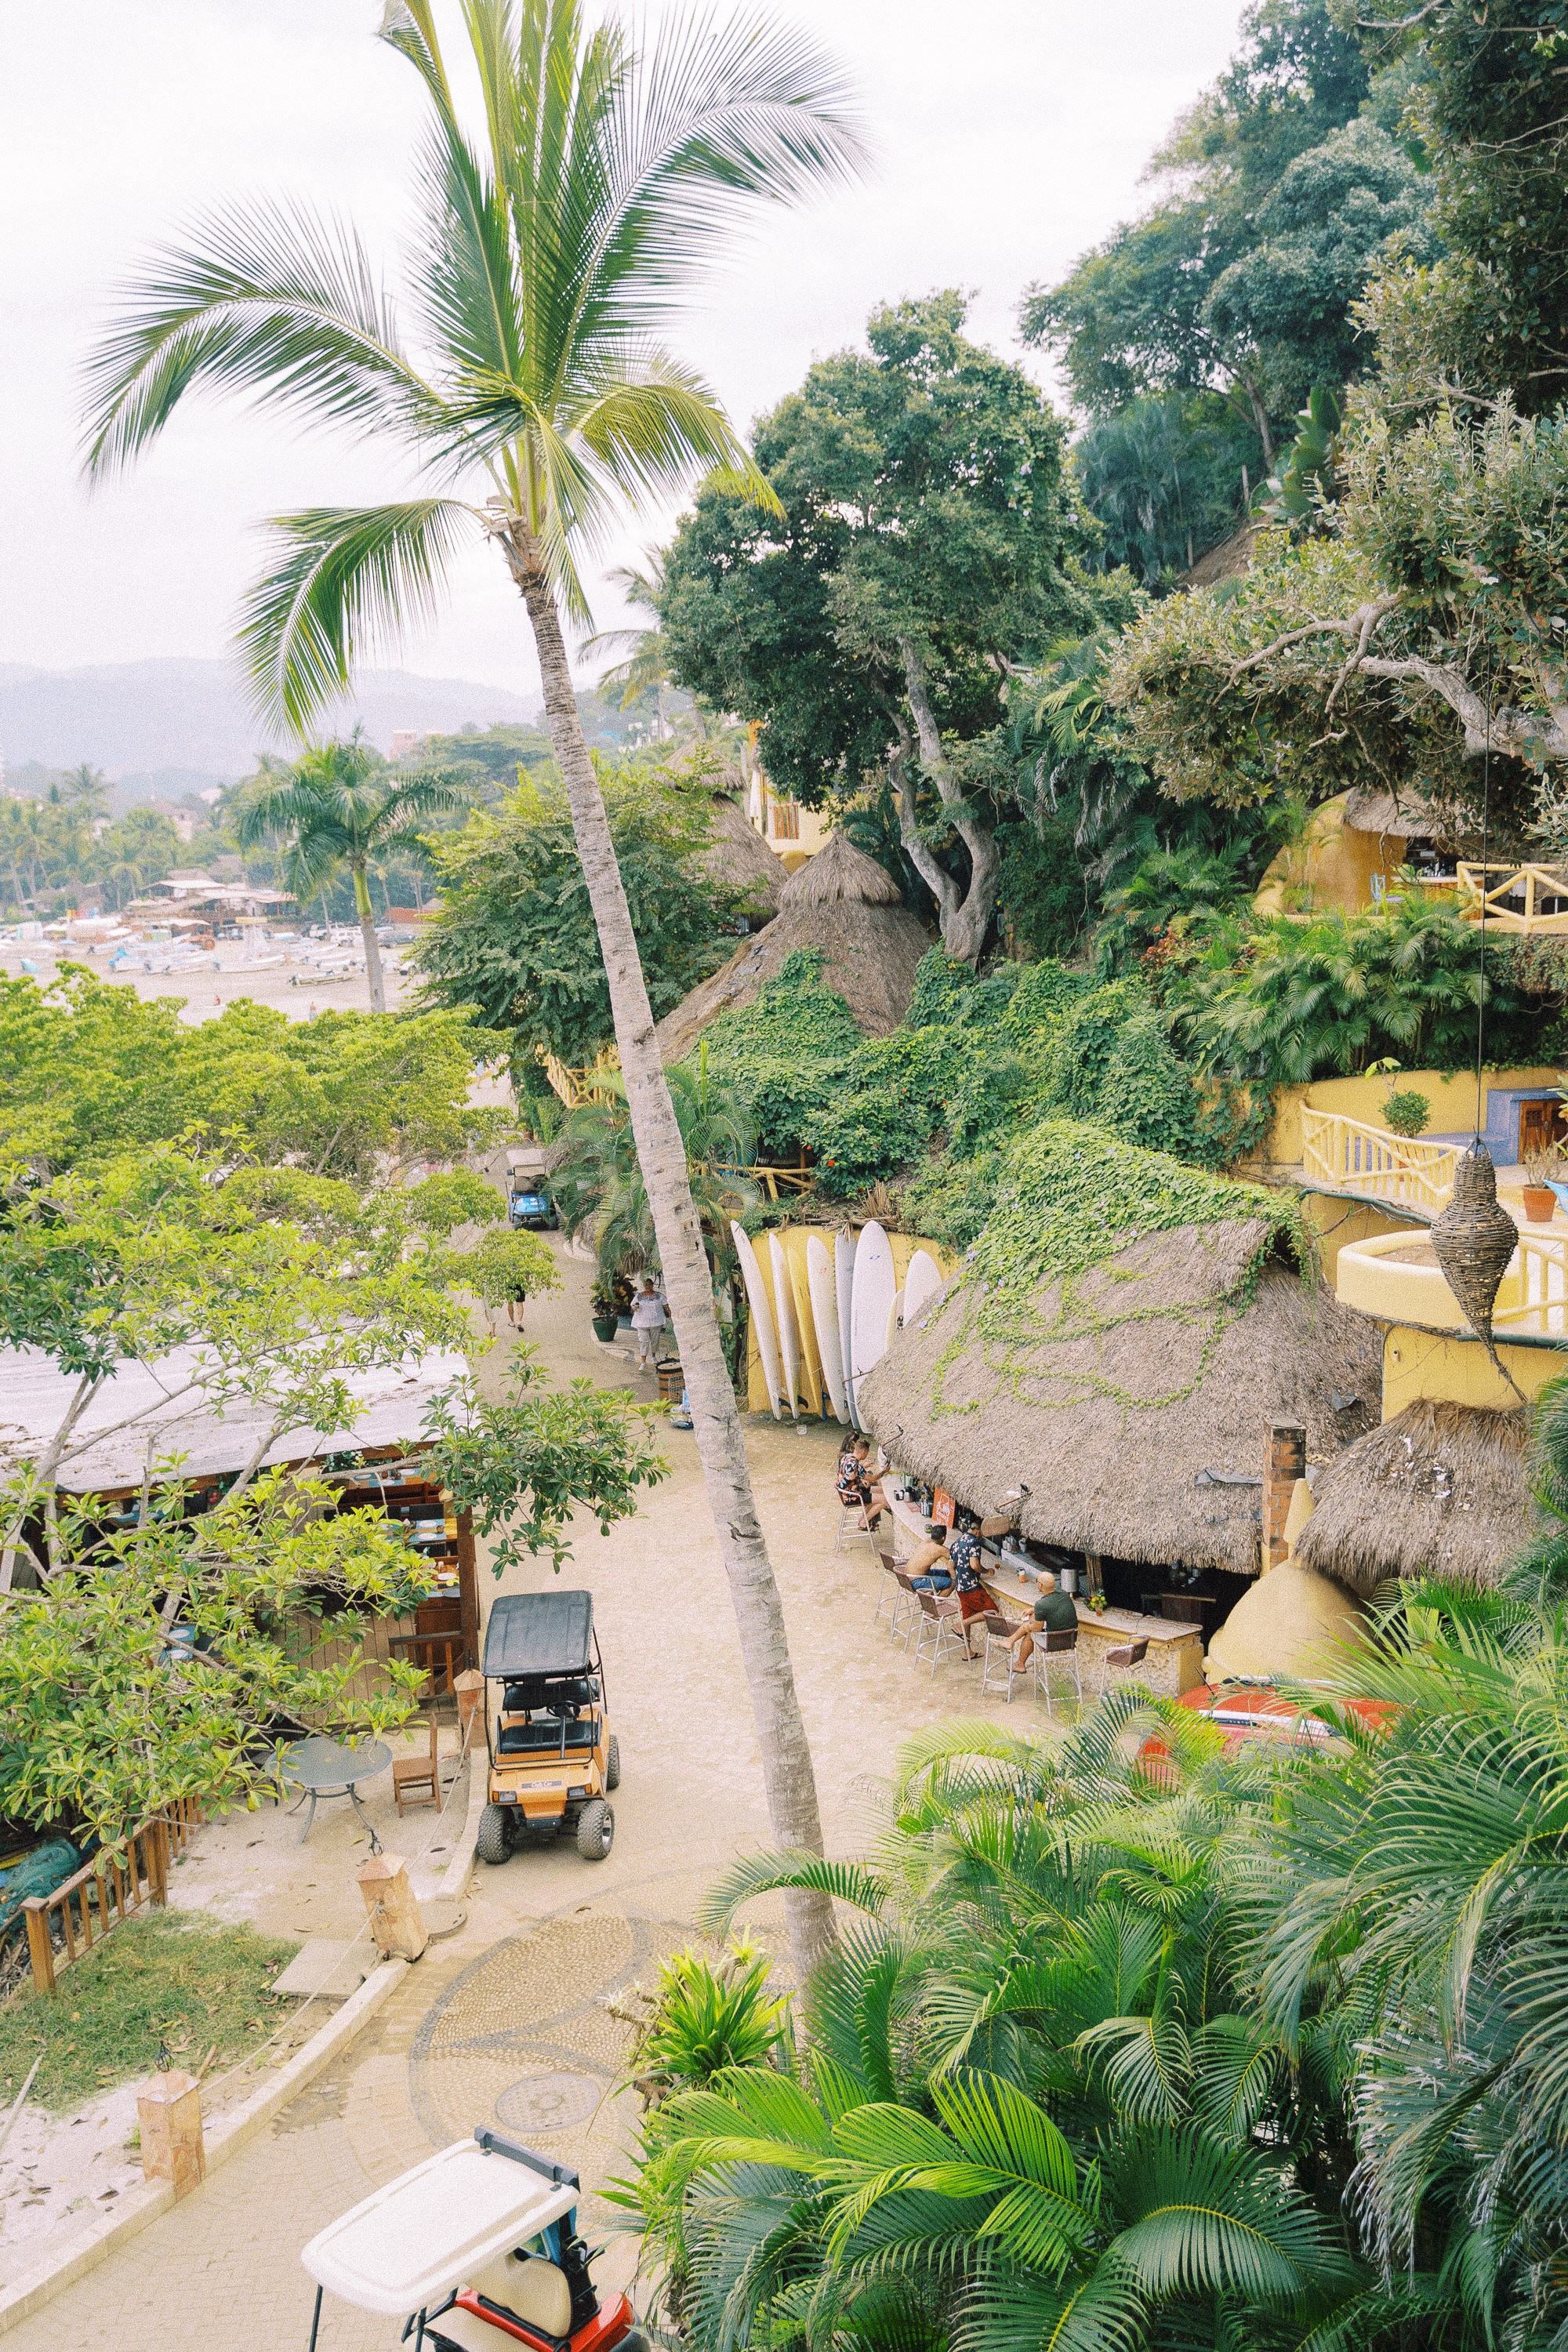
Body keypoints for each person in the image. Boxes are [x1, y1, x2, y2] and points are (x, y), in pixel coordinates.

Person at [1006, 1570, 1078, 1671]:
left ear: (1040, 1585)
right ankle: (1012, 1645)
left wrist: (1027, 1625)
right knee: (1032, 1621)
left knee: (1029, 1631)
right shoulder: (1064, 1594)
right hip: (1070, 1639)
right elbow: (1052, 1605)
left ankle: (1019, 1661)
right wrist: (1033, 1610)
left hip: (1052, 1642)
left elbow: (1037, 1628)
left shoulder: (1041, 1604)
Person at [630, 1276, 667, 1367]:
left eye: (649, 1285)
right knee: (643, 1341)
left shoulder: (659, 1296)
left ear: (652, 1285)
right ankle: (643, 1362)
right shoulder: (639, 1296)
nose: (648, 1286)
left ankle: (653, 1356)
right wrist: (635, 1308)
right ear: (644, 1286)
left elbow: (666, 1305)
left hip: (656, 1322)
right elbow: (633, 1306)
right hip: (642, 1323)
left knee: (655, 1340)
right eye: (646, 1285)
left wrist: (670, 1315)